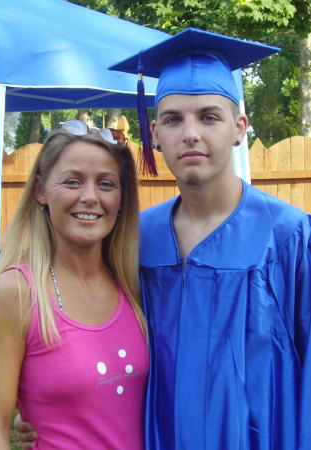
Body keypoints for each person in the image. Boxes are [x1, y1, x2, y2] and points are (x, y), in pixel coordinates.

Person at [16, 28, 311, 449]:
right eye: (173, 119)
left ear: (239, 127)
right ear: (154, 133)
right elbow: (101, 347)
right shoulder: (133, 238)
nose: (190, 133)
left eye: (209, 116)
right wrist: (47, 409)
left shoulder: (288, 236)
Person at [0, 120, 149, 449]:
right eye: (73, 182)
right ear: (40, 191)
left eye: (106, 184)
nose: (90, 197)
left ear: (121, 199)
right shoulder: (16, 293)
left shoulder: (136, 285)